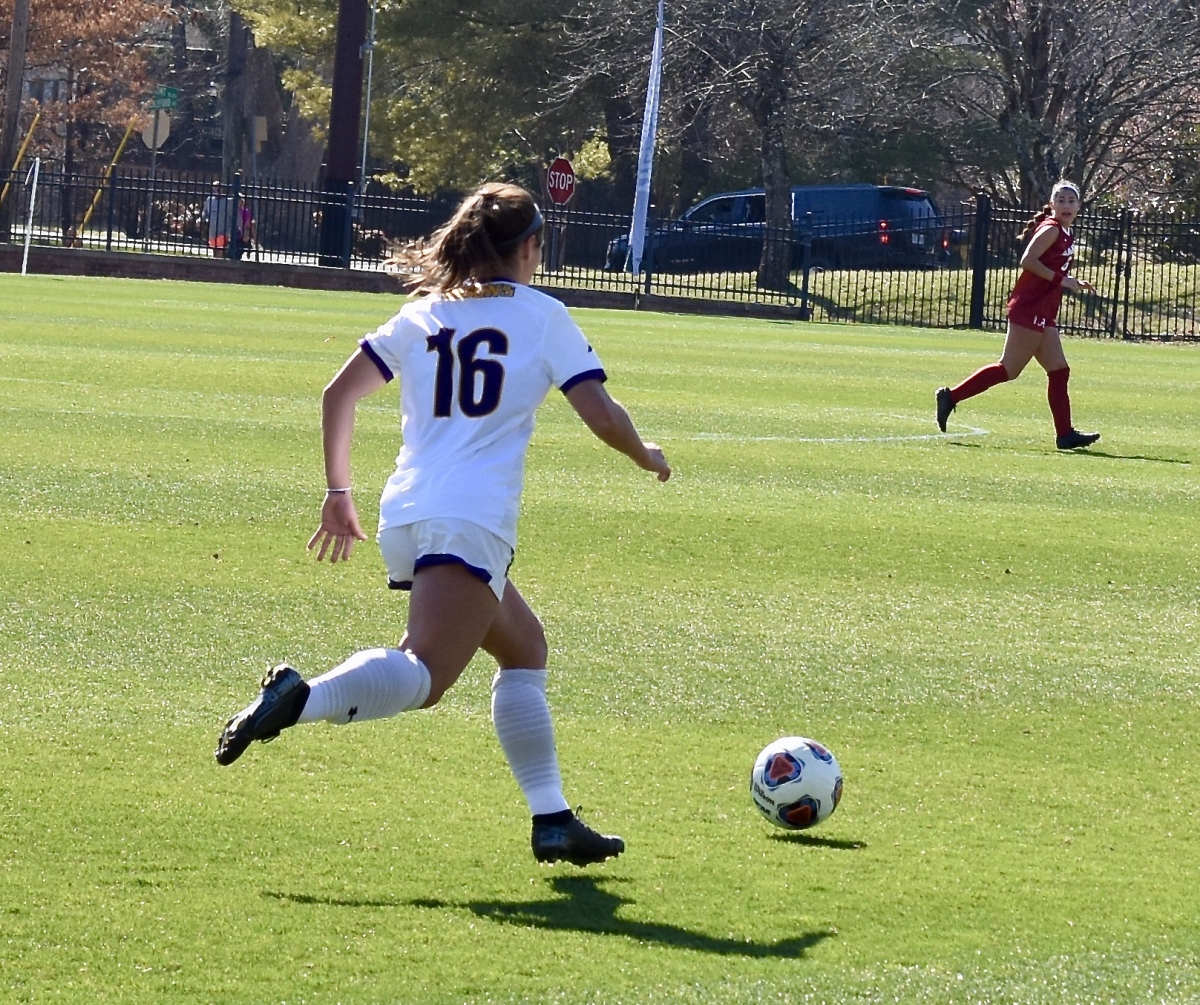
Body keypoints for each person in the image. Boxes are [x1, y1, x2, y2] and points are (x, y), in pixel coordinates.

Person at [214, 182, 671, 867]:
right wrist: (647, 454)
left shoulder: (425, 312)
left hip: (409, 510)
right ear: (528, 248)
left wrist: (339, 490)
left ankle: (553, 819)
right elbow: (601, 413)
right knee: (424, 675)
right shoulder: (544, 315)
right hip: (470, 516)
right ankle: (301, 698)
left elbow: (339, 392)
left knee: (524, 648)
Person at [936, 180, 1100, 450]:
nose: (1067, 205)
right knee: (1008, 369)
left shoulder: (1065, 232)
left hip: (1043, 308)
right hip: (1030, 306)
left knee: (1059, 371)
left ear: (1079, 206)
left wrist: (1071, 280)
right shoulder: (1051, 229)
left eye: (1071, 201)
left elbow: (1050, 267)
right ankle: (950, 396)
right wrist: (1061, 280)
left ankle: (1065, 434)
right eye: (1061, 200)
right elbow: (1028, 260)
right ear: (1051, 205)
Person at [200, 181, 234, 258]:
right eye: (214, 190)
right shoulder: (210, 200)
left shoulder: (227, 201)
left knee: (219, 252)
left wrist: (228, 231)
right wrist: (201, 219)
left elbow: (233, 217)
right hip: (212, 231)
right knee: (214, 252)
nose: (216, 192)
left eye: (218, 189)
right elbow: (205, 212)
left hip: (223, 232)